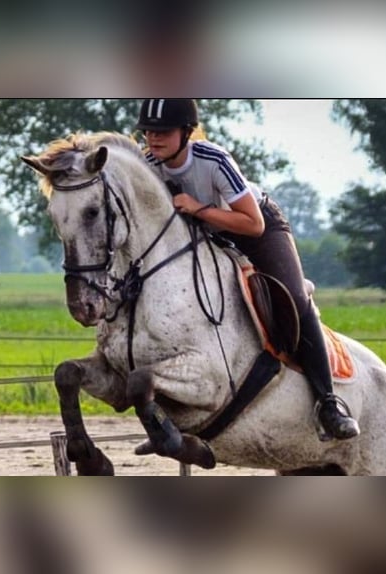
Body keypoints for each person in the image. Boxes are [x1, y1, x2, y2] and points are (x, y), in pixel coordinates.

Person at [135, 98, 360, 441]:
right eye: (148, 131)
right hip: (208, 234)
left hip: (259, 228)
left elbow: (252, 223)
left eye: (162, 131)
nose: (153, 138)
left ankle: (329, 402)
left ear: (186, 132)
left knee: (295, 298)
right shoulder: (149, 164)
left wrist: (199, 208)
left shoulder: (212, 159)